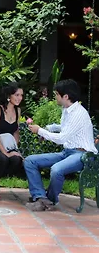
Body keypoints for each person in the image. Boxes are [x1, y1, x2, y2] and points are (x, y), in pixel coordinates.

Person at [24, 79, 97, 210]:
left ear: (66, 96)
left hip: (83, 155)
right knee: (30, 161)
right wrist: (50, 128)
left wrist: (40, 131)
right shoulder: (67, 109)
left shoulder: (78, 113)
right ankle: (41, 197)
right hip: (67, 152)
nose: (55, 97)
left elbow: (62, 138)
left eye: (57, 94)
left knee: (57, 169)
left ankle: (50, 201)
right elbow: (65, 128)